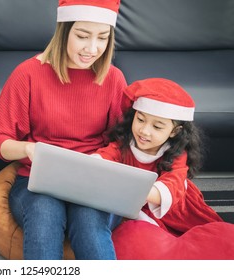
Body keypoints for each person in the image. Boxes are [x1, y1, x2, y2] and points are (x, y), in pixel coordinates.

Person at [0, 0, 127, 259]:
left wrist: (100, 161)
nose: (92, 49)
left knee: (89, 224)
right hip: (36, 180)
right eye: (83, 36)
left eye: (102, 38)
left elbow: (121, 143)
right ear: (64, 32)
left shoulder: (114, 78)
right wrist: (28, 148)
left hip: (92, 179)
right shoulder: (27, 74)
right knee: (43, 217)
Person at [93, 78, 234, 259]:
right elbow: (103, 157)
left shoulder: (177, 154)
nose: (144, 131)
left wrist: (125, 186)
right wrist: (92, 166)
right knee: (136, 242)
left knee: (217, 242)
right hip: (138, 210)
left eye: (157, 126)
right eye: (140, 120)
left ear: (174, 131)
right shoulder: (123, 144)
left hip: (177, 210)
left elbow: (171, 185)